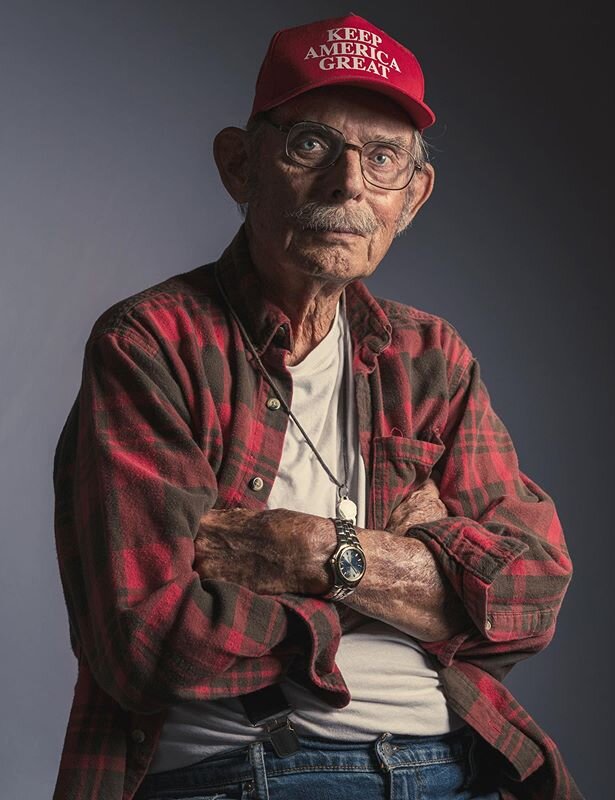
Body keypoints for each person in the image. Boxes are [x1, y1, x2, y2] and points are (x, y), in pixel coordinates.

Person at [52, 13, 582, 800]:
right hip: (249, 771)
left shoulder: (431, 359)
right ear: (241, 166)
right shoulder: (150, 343)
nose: (348, 185)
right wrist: (424, 584)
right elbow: (147, 639)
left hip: (456, 765)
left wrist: (309, 554)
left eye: (382, 158)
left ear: (413, 195)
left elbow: (530, 593)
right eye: (311, 146)